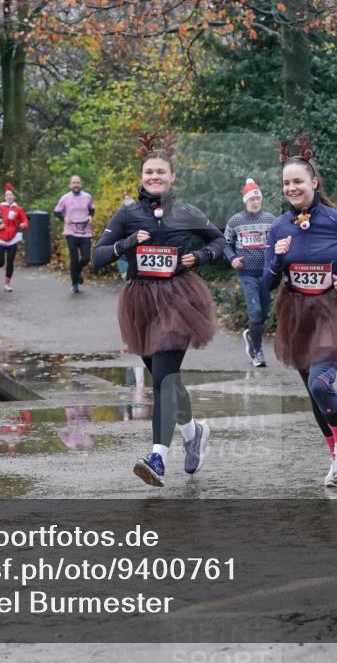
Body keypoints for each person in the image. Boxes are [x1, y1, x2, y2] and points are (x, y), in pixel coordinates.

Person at [92, 135, 224, 487]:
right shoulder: (128, 213)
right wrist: (126, 244)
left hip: (179, 298)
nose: (154, 177)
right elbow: (97, 256)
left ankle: (158, 458)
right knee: (165, 377)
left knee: (164, 378)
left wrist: (201, 256)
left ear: (172, 177)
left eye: (160, 172)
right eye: (148, 172)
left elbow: (220, 240)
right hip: (140, 301)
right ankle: (193, 432)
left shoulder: (186, 211)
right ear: (141, 176)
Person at [264, 136, 337, 488]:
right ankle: (336, 458)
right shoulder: (279, 227)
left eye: (298, 181)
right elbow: (268, 281)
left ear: (313, 182)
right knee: (313, 393)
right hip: (297, 314)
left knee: (320, 382)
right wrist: (279, 258)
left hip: (333, 311)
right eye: (286, 183)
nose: (291, 187)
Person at [224, 178, 277, 368]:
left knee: (263, 313)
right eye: (251, 199)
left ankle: (250, 334)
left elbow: (278, 243)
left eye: (258, 199)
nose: (255, 202)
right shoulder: (236, 221)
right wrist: (232, 258)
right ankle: (257, 352)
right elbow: (226, 244)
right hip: (246, 273)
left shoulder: (271, 220)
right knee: (255, 312)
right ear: (245, 201)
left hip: (265, 273)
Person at [54, 175, 95, 293]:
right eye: (74, 183)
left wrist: (91, 216)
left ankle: (76, 273)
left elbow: (92, 209)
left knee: (86, 258)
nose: (76, 185)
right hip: (70, 231)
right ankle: (74, 283)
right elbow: (56, 211)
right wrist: (64, 219)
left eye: (78, 182)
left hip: (85, 232)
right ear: (70, 185)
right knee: (74, 258)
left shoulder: (87, 197)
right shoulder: (65, 198)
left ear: (80, 184)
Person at [0, 184, 28, 292]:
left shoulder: (18, 209)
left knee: (10, 261)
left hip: (12, 239)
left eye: (11, 195)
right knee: (0, 262)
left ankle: (7, 284)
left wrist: (24, 225)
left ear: (14, 197)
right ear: (4, 197)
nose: (9, 197)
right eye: (7, 195)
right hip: (0, 238)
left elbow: (25, 220)